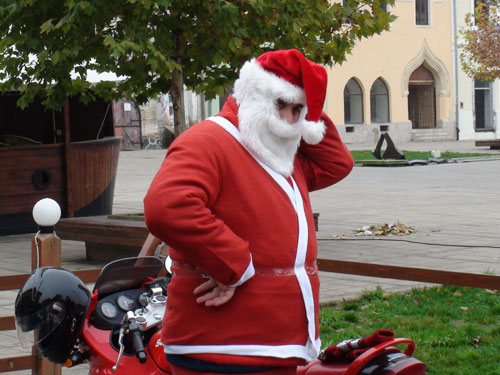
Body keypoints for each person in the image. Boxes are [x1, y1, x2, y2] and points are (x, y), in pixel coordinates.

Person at [144, 49, 354, 375]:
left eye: (296, 109)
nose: (286, 120)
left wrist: (309, 113)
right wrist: (234, 263)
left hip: (274, 341)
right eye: (279, 104)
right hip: (221, 344)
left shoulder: (282, 153)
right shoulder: (209, 139)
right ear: (253, 95)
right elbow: (167, 206)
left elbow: (338, 164)